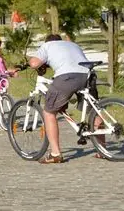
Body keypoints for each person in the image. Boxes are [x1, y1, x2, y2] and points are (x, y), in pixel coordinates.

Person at [27, 33, 94, 164]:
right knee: (93, 110)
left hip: (68, 76)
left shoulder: (47, 46)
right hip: (88, 74)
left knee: (49, 112)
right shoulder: (72, 44)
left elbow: (34, 63)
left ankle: (55, 153)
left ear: (47, 42)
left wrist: (29, 62)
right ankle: (103, 148)